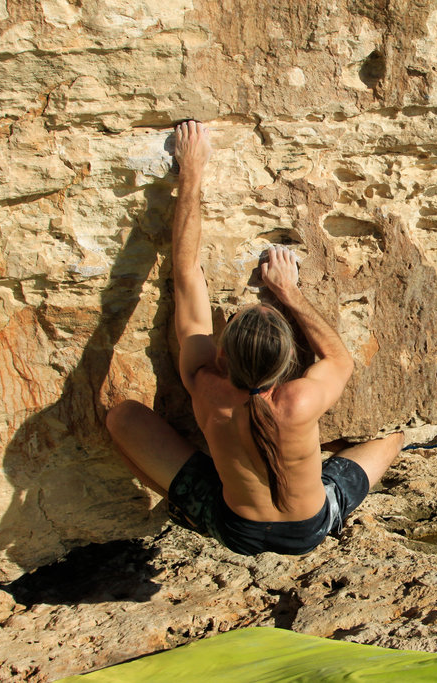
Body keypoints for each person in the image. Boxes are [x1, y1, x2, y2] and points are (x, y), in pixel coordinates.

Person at [105, 120, 404, 555]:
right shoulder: (299, 401)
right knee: (393, 437)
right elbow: (338, 357)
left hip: (234, 529)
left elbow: (186, 274)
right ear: (286, 364)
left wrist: (191, 172)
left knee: (122, 419)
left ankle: (184, 508)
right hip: (310, 530)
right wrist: (288, 292)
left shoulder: (207, 387)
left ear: (222, 353)